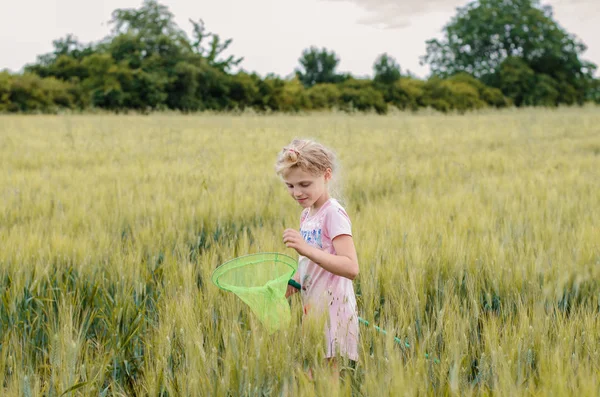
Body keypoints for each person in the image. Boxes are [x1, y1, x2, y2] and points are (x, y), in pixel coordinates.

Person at [275, 138, 360, 375]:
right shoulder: (307, 215)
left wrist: (306, 249)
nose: (297, 192)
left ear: (326, 175)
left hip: (334, 310)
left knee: (325, 378)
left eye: (304, 184)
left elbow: (351, 267)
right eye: (290, 186)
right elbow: (308, 265)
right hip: (313, 309)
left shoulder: (333, 213)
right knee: (313, 375)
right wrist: (289, 286)